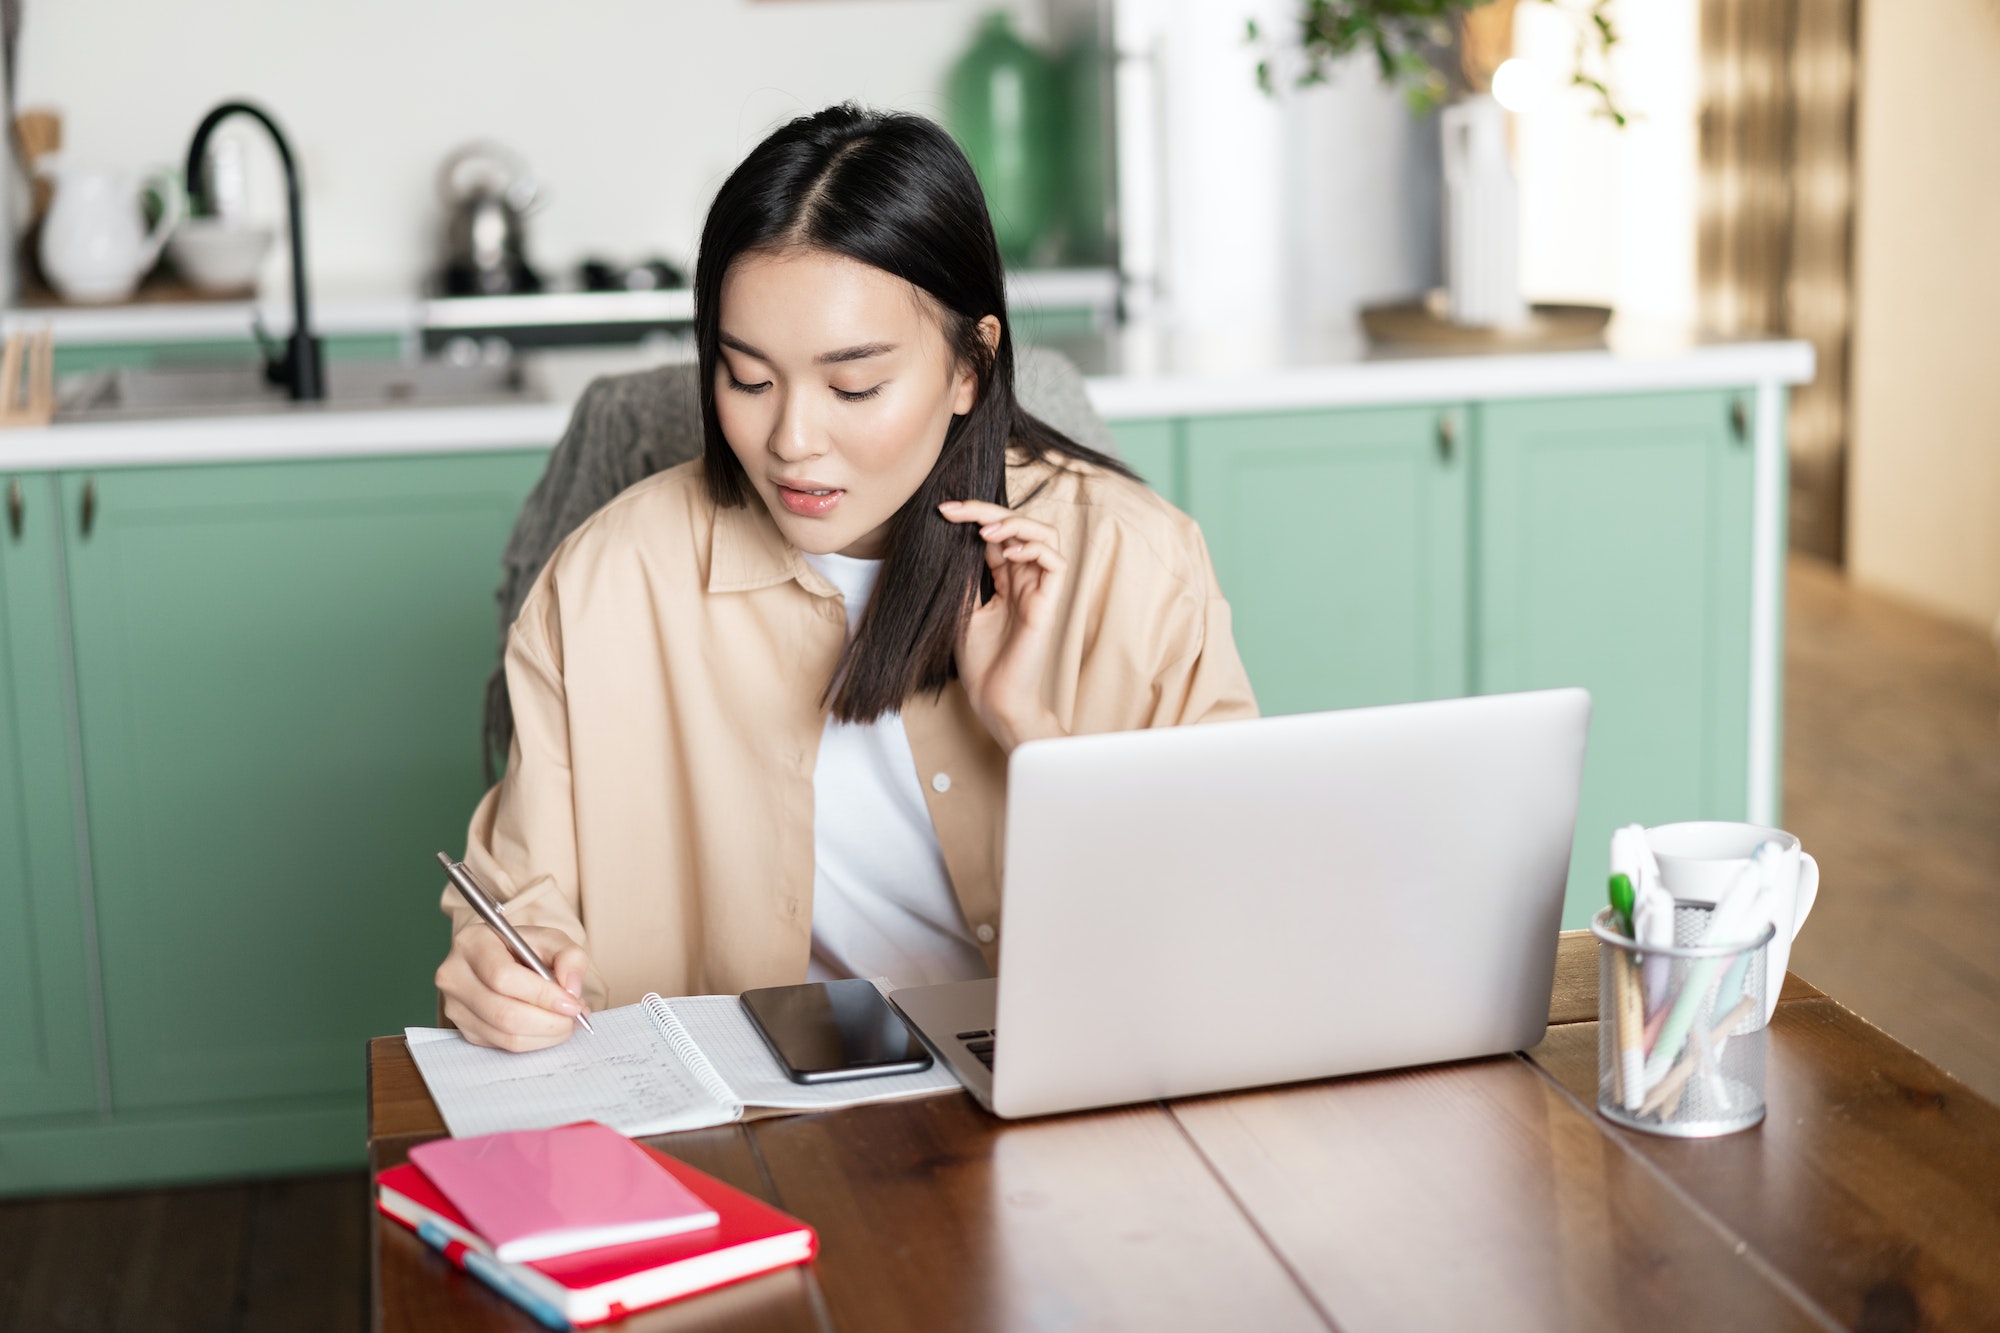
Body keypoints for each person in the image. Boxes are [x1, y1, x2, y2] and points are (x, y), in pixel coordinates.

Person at [434, 104, 1257, 1051]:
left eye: (854, 387)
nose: (791, 441)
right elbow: (516, 900)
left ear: (970, 368)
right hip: (763, 1144)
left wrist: (1033, 736)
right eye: (747, 379)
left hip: (1060, 1106)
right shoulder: (610, 584)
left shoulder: (1133, 563)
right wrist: (505, 967)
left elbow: (1229, 923)